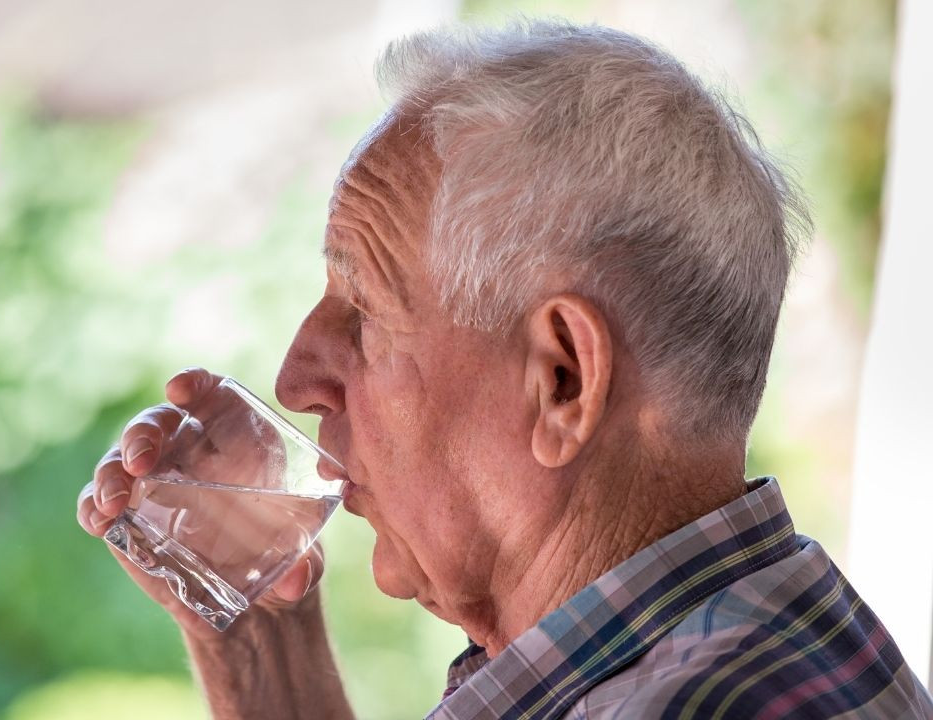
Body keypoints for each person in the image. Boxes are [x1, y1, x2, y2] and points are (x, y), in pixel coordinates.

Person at [77, 21, 933, 719]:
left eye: (365, 310)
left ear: (563, 380)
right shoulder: (726, 640)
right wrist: (261, 644)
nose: (296, 378)